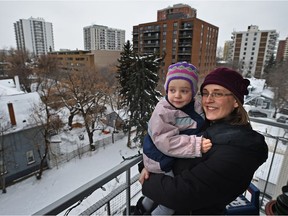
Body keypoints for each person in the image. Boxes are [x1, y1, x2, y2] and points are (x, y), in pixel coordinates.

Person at [139, 67, 269, 215]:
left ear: (235, 101)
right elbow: (168, 142)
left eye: (217, 93)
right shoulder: (206, 124)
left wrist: (148, 181)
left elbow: (180, 194)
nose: (208, 100)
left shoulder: (240, 150)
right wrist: (147, 165)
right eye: (205, 93)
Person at [135, 62, 212, 215]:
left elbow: (200, 122)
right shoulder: (163, 110)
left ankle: (142, 208)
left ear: (193, 92)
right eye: (172, 90)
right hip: (159, 156)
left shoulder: (195, 106)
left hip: (168, 156)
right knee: (170, 199)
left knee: (156, 193)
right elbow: (166, 141)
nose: (177, 95)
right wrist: (195, 145)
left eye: (184, 90)